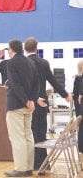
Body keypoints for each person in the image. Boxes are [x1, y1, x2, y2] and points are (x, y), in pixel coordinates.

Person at [24, 37, 73, 170]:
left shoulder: (24, 63)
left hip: (29, 104)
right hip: (43, 103)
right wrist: (65, 95)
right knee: (41, 134)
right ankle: (44, 165)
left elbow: (24, 86)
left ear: (24, 49)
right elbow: (53, 81)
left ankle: (34, 164)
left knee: (31, 134)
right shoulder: (43, 62)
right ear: (37, 48)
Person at [4, 39, 40, 177]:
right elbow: (37, 83)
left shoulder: (11, 63)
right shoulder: (30, 62)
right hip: (29, 105)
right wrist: (31, 99)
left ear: (11, 49)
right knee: (28, 136)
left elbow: (15, 84)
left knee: (18, 137)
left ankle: (20, 168)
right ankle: (29, 167)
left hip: (16, 105)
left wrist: (25, 100)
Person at [73, 60, 83, 153]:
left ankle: (81, 146)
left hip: (79, 105)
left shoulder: (77, 78)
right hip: (80, 104)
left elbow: (75, 93)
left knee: (81, 125)